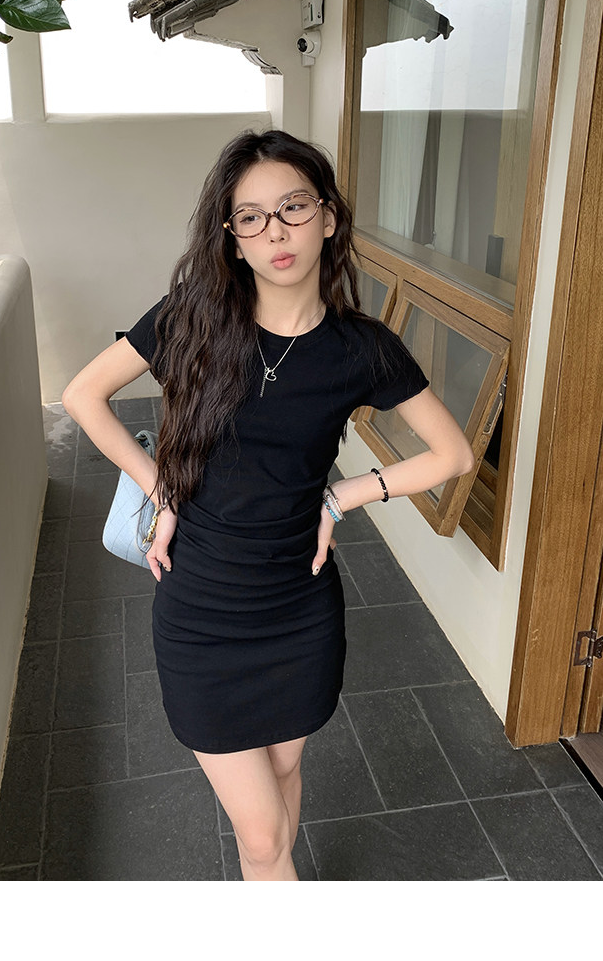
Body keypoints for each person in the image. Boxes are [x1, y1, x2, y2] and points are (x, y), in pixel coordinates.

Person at [62, 129, 475, 882]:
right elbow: (82, 395)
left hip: (299, 607)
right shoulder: (192, 318)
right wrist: (163, 489)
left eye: (293, 207)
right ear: (231, 236)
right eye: (250, 217)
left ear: (328, 217)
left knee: (283, 782)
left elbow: (453, 455)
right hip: (201, 609)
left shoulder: (362, 349)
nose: (275, 232)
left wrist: (344, 495)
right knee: (259, 837)